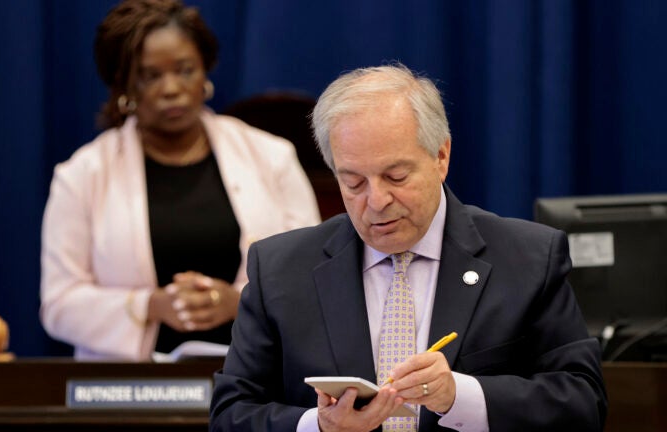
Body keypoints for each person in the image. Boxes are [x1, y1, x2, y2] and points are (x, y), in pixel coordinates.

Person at [210, 63, 607, 431]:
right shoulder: (279, 268)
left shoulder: (528, 258)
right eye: (353, 183)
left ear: (441, 156)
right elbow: (230, 413)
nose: (376, 200)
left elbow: (583, 402)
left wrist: (460, 397)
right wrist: (319, 426)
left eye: (396, 176)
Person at [39, 0, 320, 361]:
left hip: (258, 384)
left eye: (185, 70)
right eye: (150, 75)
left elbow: (313, 283)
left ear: (205, 72)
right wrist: (151, 306)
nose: (171, 88)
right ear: (123, 85)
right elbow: (59, 306)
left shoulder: (271, 157)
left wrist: (238, 302)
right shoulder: (81, 175)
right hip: (126, 392)